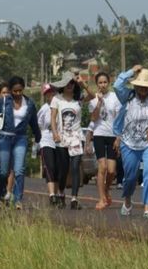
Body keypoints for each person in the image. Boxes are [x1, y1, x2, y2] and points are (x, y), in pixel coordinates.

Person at [114, 65, 148, 218]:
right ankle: (127, 200)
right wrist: (131, 72)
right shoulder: (127, 96)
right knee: (130, 177)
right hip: (129, 142)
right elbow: (117, 84)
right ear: (135, 85)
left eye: (146, 87)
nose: (143, 89)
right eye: (140, 86)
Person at [0, 76, 41, 209]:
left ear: (23, 89)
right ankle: (1, 193)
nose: (17, 94)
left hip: (20, 138)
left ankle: (17, 200)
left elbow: (34, 122)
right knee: (4, 171)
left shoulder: (30, 103)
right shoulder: (3, 101)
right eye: (15, 91)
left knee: (19, 169)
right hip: (4, 138)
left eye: (20, 91)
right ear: (10, 90)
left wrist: (38, 138)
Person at [50, 71, 89, 210]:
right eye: (67, 83)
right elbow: (53, 118)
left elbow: (92, 96)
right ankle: (61, 193)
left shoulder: (78, 99)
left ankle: (74, 198)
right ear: (62, 85)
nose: (70, 85)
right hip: (62, 137)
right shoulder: (57, 99)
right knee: (63, 168)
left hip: (77, 137)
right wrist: (55, 133)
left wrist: (83, 84)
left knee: (75, 167)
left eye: (72, 83)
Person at [89, 72, 122, 210]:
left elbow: (119, 119)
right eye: (100, 83)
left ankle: (107, 189)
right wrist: (99, 102)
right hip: (99, 135)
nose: (102, 85)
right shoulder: (93, 99)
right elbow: (93, 118)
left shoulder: (115, 97)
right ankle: (102, 198)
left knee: (112, 170)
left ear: (109, 82)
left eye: (105, 82)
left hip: (112, 135)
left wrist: (119, 137)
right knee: (102, 167)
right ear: (97, 84)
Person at [37, 83, 60, 205]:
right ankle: (52, 195)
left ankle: (57, 193)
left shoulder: (60, 106)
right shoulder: (44, 109)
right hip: (47, 139)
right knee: (50, 166)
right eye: (47, 93)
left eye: (52, 92)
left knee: (58, 168)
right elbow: (39, 124)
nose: (50, 95)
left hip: (60, 139)